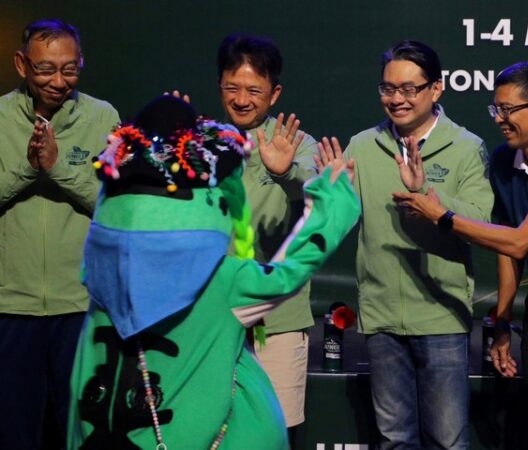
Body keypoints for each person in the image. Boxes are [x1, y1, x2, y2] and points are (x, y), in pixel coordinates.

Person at [67, 95, 360, 449]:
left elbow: (83, 374)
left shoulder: (99, 272)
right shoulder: (222, 280)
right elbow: (290, 271)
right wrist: (334, 202)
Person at [393, 61, 528, 450]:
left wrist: (443, 217)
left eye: (508, 110)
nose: (499, 119)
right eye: (496, 109)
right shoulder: (505, 163)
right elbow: (508, 248)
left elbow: (520, 241)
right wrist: (503, 321)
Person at [317, 40, 493, 449]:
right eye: (388, 88)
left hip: (441, 316)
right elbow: (337, 222)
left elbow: (480, 221)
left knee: (448, 441)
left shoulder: (466, 147)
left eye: (409, 89)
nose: (397, 99)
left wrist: (428, 195)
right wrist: (329, 193)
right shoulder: (363, 145)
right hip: (381, 318)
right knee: (394, 439)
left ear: (436, 89)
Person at [0, 19, 119, 449]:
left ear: (81, 63)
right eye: (45, 69)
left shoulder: (102, 117)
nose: (58, 81)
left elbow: (115, 205)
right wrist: (27, 168)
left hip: (80, 306)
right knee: (14, 433)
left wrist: (58, 167)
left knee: (80, 433)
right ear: (22, 65)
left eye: (69, 69)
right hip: (11, 306)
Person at [217, 32, 318, 438]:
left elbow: (315, 191)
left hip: (277, 320)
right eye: (232, 88)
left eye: (254, 90)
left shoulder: (297, 144)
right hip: (213, 318)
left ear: (274, 94)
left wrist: (284, 172)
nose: (241, 99)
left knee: (275, 434)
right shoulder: (201, 143)